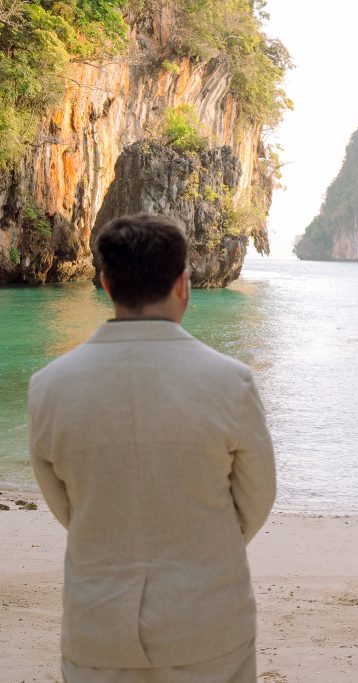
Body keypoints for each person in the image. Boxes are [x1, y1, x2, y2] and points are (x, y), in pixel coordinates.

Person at [28, 213, 276, 682]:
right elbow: (257, 497)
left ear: (104, 282)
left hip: (98, 621)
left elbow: (64, 504)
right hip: (207, 617)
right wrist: (202, 547)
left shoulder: (48, 386)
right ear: (183, 283)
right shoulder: (229, 381)